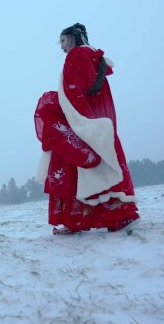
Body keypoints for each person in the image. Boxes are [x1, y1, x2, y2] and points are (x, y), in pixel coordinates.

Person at [34, 23, 139, 235]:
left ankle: (86, 220)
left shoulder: (76, 56)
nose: (62, 47)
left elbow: (75, 94)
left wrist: (76, 120)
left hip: (83, 119)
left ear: (73, 38)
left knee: (74, 160)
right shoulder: (94, 57)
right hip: (98, 117)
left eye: (63, 41)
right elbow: (87, 90)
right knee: (96, 165)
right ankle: (111, 216)